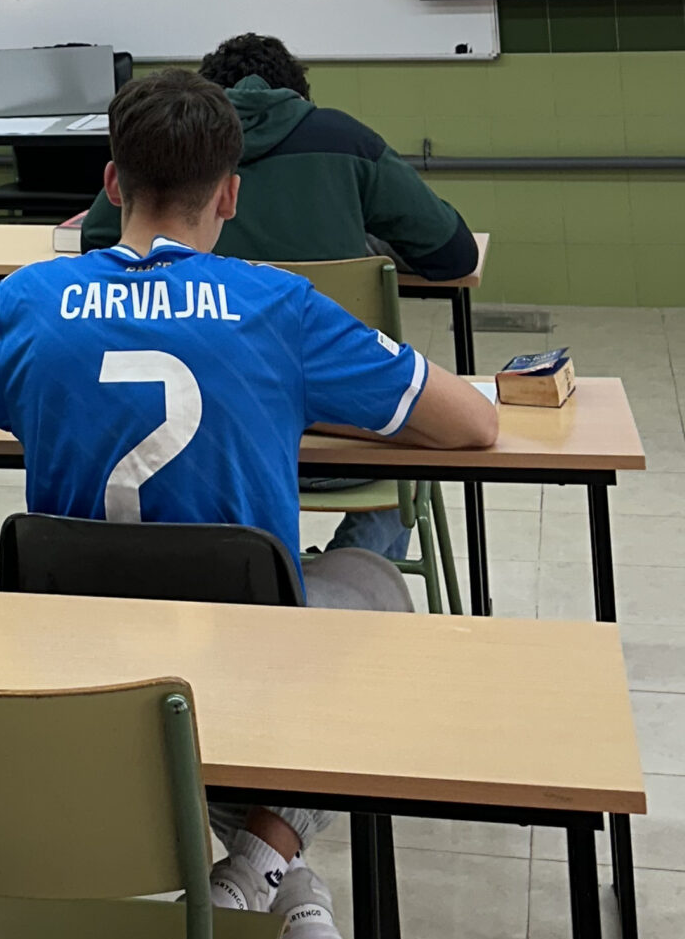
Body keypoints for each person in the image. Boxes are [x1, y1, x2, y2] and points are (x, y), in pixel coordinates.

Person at [0, 67, 496, 939]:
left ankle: (275, 877)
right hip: (245, 659)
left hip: (78, 662)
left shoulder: (31, 302)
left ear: (112, 185)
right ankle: (267, 860)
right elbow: (475, 425)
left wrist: (24, 391)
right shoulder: (277, 305)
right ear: (229, 195)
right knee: (376, 589)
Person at [80, 32, 479, 564]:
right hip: (347, 445)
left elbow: (103, 249)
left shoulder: (169, 156)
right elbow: (453, 256)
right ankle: (344, 565)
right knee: (415, 433)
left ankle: (265, 568)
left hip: (209, 443)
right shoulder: (344, 142)